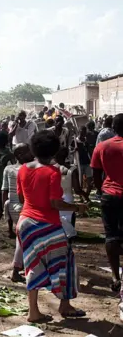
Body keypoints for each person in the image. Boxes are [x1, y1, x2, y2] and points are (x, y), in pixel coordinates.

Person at [17, 131, 86, 322]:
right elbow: (55, 203)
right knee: (65, 261)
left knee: (32, 264)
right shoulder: (53, 172)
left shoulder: (23, 169)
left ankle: (33, 311)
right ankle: (65, 305)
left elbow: (22, 198)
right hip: (47, 224)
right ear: (54, 150)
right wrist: (77, 207)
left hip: (25, 224)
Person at [90, 113, 123, 311]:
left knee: (111, 236)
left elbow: (95, 172)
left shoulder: (102, 146)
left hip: (109, 195)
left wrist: (100, 190)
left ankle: (114, 275)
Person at [2, 144, 35, 283]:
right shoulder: (28, 169)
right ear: (20, 155)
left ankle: (22, 268)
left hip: (12, 207)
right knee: (25, 239)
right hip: (24, 207)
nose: (31, 153)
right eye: (28, 151)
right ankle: (17, 270)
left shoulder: (8, 169)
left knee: (22, 238)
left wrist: (5, 210)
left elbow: (4, 191)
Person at [54, 147, 87, 239]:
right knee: (69, 221)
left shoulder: (50, 168)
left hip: (55, 198)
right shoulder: (72, 169)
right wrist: (85, 196)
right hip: (68, 198)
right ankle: (70, 237)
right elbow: (77, 190)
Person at [74, 126, 93, 200]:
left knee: (90, 182)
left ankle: (86, 196)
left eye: (85, 132)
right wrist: (74, 150)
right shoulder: (75, 141)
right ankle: (81, 197)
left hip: (87, 163)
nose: (83, 133)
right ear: (79, 131)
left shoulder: (86, 141)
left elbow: (89, 152)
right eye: (82, 131)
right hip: (79, 164)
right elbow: (70, 152)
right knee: (80, 182)